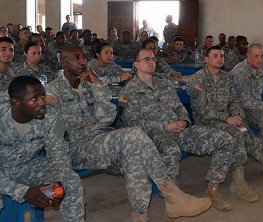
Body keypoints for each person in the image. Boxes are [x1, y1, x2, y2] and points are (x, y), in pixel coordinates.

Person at [45, 45, 212, 221]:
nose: (82, 62)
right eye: (76, 58)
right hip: (76, 148)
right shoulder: (53, 91)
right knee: (134, 134)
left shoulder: (90, 85)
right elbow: (53, 134)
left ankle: (140, 215)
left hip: (100, 142)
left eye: (83, 58)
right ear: (63, 63)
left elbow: (107, 117)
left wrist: (97, 85)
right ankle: (172, 195)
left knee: (136, 157)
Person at [118, 48, 237, 211]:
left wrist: (184, 121)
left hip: (180, 130)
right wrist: (165, 126)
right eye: (147, 59)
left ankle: (213, 189)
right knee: (171, 150)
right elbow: (132, 123)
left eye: (153, 59)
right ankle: (174, 201)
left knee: (224, 139)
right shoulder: (128, 91)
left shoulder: (164, 84)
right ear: (136, 65)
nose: (152, 62)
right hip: (154, 135)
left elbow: (179, 107)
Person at [187, 46, 263, 194]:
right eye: (215, 56)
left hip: (229, 119)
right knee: (238, 134)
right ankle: (239, 183)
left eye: (221, 56)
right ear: (206, 59)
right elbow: (203, 110)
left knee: (249, 137)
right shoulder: (198, 79)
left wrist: (239, 117)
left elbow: (234, 101)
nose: (219, 58)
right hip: (208, 121)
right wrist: (228, 118)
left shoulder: (225, 77)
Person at [0, 76, 85, 221]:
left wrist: (59, 182)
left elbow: (59, 154)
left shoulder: (50, 117)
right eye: (35, 98)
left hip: (28, 166)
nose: (42, 103)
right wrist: (24, 192)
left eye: (43, 96)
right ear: (16, 102)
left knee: (71, 181)